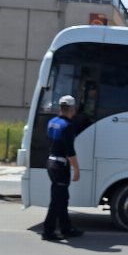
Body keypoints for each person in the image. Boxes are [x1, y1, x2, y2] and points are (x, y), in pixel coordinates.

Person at [42, 95, 84, 241]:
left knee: (63, 197)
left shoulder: (52, 122)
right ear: (72, 109)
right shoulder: (68, 126)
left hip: (51, 162)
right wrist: (77, 170)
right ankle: (48, 231)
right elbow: (70, 151)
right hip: (60, 165)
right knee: (57, 199)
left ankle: (66, 228)